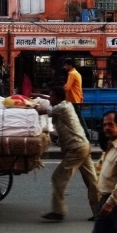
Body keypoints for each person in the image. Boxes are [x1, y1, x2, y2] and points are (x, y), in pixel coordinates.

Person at [34, 86, 99, 222]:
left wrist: (27, 106)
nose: (50, 98)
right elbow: (50, 102)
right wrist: (40, 94)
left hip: (76, 149)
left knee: (58, 178)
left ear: (58, 98)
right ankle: (100, 211)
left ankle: (58, 211)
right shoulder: (65, 105)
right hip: (83, 146)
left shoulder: (61, 108)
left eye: (52, 96)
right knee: (92, 182)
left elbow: (43, 110)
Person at [63, 58, 88, 135]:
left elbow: (67, 87)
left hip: (73, 100)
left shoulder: (72, 74)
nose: (64, 67)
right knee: (74, 119)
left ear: (70, 65)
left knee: (76, 119)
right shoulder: (77, 73)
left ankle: (86, 135)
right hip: (77, 99)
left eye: (66, 65)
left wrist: (61, 87)